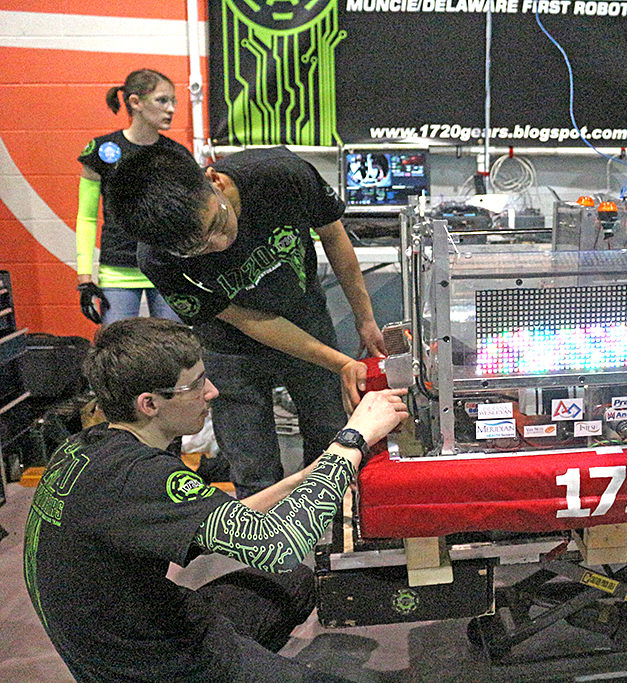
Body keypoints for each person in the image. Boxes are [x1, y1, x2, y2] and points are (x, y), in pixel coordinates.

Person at [23, 317, 408, 682]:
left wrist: (313, 474)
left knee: (294, 583)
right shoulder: (139, 476)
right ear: (149, 404)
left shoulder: (88, 448)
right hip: (159, 666)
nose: (213, 392)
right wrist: (353, 438)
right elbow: (279, 545)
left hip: (139, 628)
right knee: (285, 570)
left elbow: (225, 520)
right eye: (196, 385)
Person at [103, 145, 387, 498]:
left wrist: (366, 320)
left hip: (306, 315)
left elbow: (333, 235)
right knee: (252, 467)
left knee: (332, 438)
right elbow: (250, 321)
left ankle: (327, 537)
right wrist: (341, 362)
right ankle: (272, 551)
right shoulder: (157, 259)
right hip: (230, 347)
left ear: (214, 180)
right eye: (198, 249)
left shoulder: (280, 174)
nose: (220, 244)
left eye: (217, 223)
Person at [75, 69, 187, 324]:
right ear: (135, 102)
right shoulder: (102, 151)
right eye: (162, 100)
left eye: (174, 101)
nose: (171, 109)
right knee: (116, 349)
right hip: (117, 270)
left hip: (167, 268)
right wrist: (84, 277)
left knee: (175, 351)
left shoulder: (177, 154)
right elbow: (86, 217)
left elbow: (192, 215)